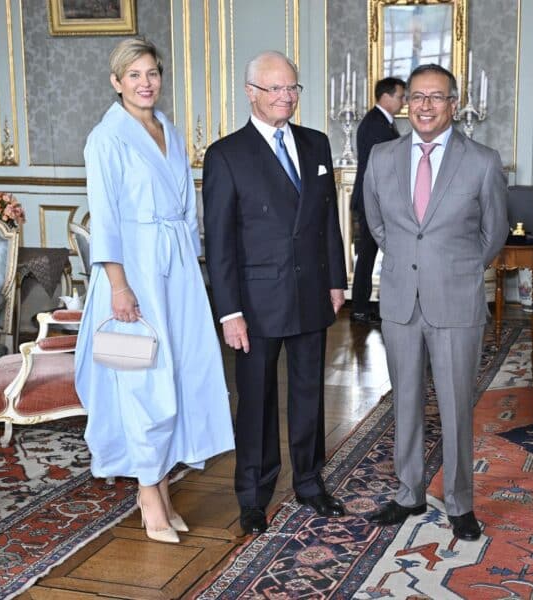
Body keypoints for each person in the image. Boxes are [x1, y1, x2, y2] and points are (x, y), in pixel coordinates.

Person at [74, 38, 235, 544]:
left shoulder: (168, 128)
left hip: (177, 272)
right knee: (141, 378)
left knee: (180, 373)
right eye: (135, 75)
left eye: (153, 73)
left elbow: (188, 208)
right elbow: (106, 219)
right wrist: (119, 286)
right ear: (116, 82)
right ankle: (147, 493)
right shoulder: (106, 138)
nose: (146, 83)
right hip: (134, 273)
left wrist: (192, 271)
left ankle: (161, 486)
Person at [202, 50, 348, 536]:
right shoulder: (226, 154)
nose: (286, 97)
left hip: (310, 292)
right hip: (256, 303)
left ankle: (309, 481)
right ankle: (253, 495)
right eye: (276, 89)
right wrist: (230, 312)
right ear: (251, 92)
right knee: (257, 402)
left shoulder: (316, 143)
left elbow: (328, 218)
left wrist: (336, 280)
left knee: (309, 394)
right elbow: (219, 242)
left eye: (292, 88)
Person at [362, 63, 508, 541]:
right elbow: (377, 223)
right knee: (404, 401)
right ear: (407, 104)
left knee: (455, 405)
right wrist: (411, 257)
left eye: (436, 97)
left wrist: (459, 267)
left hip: (456, 301)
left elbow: (495, 232)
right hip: (402, 298)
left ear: (453, 104)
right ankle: (408, 493)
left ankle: (461, 503)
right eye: (417, 97)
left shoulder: (482, 160)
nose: (425, 105)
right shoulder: (382, 157)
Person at [349, 77, 406, 324]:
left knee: (371, 253)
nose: (403, 101)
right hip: (374, 199)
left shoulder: (382, 122)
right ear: (386, 97)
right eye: (401, 96)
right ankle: (360, 308)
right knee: (368, 253)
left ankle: (367, 306)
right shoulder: (375, 124)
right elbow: (382, 167)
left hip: (377, 198)